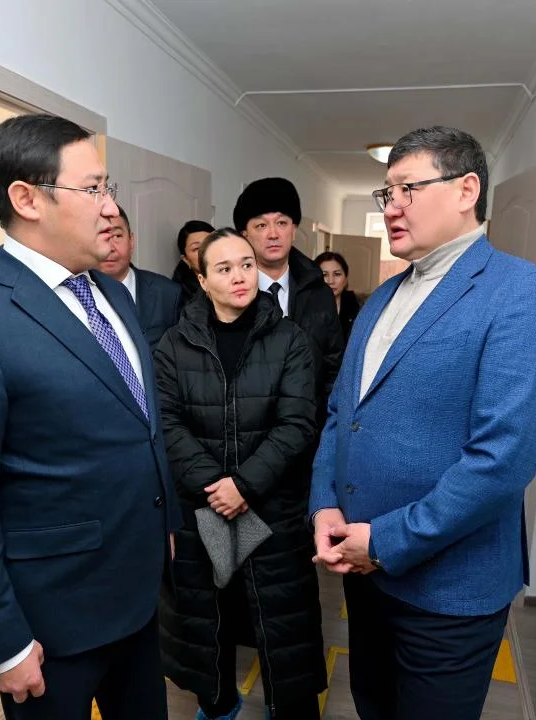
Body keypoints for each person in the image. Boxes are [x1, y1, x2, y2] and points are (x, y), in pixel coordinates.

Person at [0, 114, 180, 720]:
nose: (111, 206)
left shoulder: (110, 294)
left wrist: (163, 520)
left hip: (134, 595)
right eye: (93, 188)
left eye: (108, 187)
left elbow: (140, 426)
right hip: (49, 624)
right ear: (27, 199)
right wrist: (0, 641)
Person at [309, 126, 536, 720]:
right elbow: (342, 415)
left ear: (466, 190)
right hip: (364, 573)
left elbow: (502, 460)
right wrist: (324, 505)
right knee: (374, 705)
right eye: (387, 192)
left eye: (408, 188)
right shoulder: (381, 298)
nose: (391, 207)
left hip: (448, 590)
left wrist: (385, 542)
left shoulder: (522, 294)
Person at [155, 228, 327, 720]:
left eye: (247, 265)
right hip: (204, 509)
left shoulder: (289, 338)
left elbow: (298, 423)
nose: (240, 276)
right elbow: (166, 423)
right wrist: (218, 488)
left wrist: (245, 485)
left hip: (272, 509)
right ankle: (220, 707)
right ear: (202, 280)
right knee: (209, 626)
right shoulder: (174, 344)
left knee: (283, 629)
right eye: (224, 268)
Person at [233, 177, 343, 429]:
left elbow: (334, 366)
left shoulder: (319, 293)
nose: (273, 234)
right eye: (261, 225)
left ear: (293, 230)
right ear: (245, 234)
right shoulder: (229, 292)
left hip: (309, 429)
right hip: (246, 432)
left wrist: (326, 426)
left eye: (281, 223)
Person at [98, 204, 183, 349]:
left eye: (117, 236)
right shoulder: (76, 293)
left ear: (131, 241)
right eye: (101, 236)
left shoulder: (167, 293)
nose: (110, 248)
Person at [315, 250, 361, 342]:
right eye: (324, 275)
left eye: (337, 274)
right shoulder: (304, 306)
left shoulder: (358, 307)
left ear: (346, 279)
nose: (330, 281)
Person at [171, 219, 215, 300]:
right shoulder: (180, 296)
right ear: (185, 259)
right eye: (197, 248)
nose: (205, 250)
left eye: (210, 243)